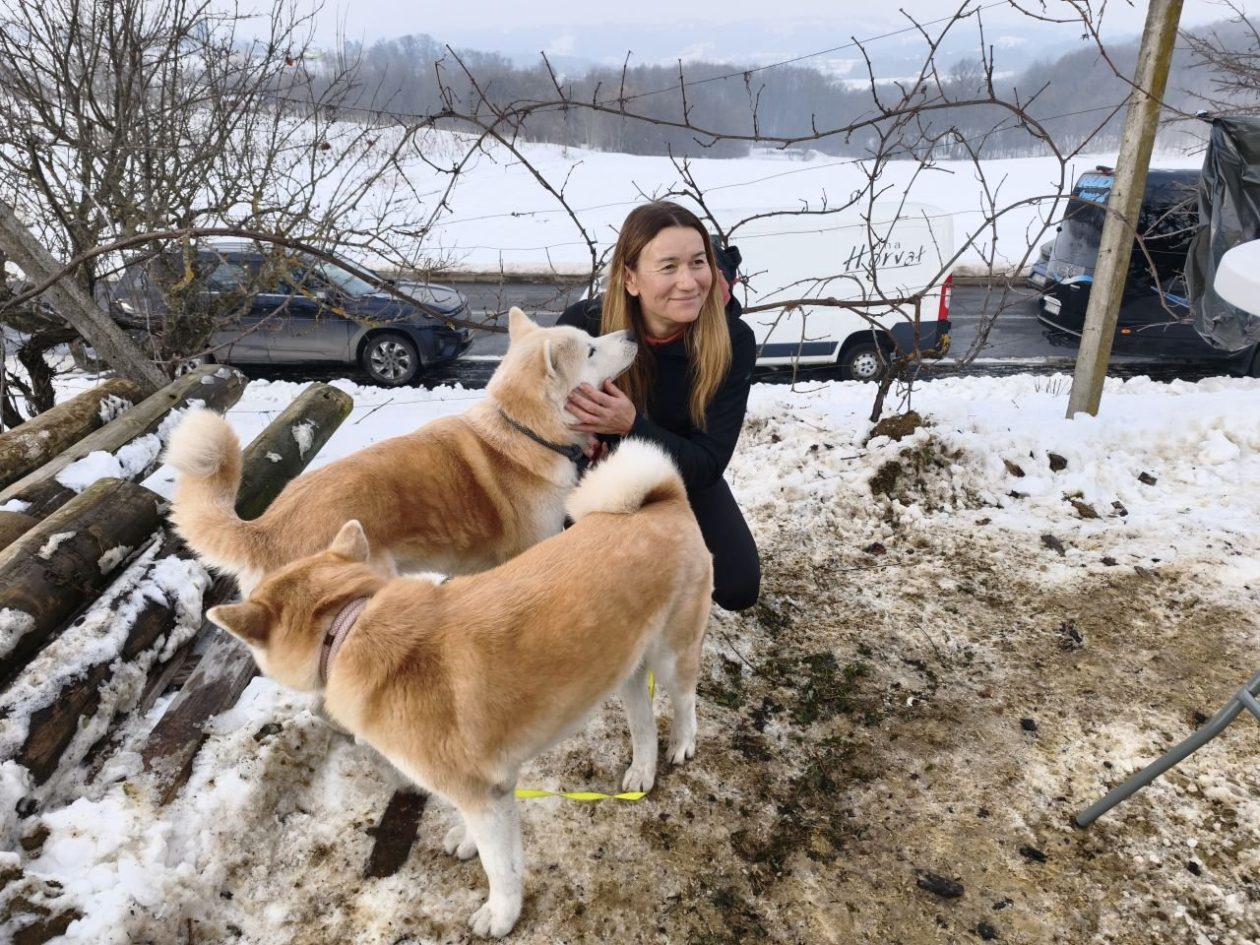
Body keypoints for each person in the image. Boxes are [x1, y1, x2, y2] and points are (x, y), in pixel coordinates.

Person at [558, 200, 761, 611]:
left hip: (679, 471)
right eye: (668, 267)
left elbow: (707, 464)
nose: (688, 282)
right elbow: (541, 420)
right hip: (592, 468)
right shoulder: (585, 326)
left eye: (698, 262)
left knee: (739, 585)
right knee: (574, 581)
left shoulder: (732, 341)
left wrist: (631, 425)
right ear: (630, 278)